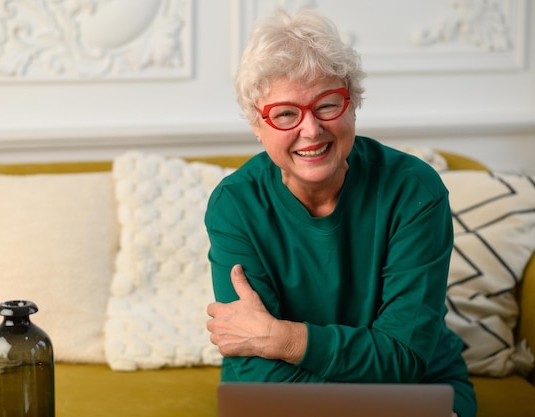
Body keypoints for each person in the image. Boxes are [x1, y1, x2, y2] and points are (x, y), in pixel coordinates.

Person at [204, 8, 476, 417]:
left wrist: (283, 340)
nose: (310, 130)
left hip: (418, 395)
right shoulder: (235, 206)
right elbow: (255, 371)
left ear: (352, 106)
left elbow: (403, 359)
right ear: (256, 125)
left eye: (327, 105)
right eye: (285, 114)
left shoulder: (414, 191)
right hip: (288, 401)